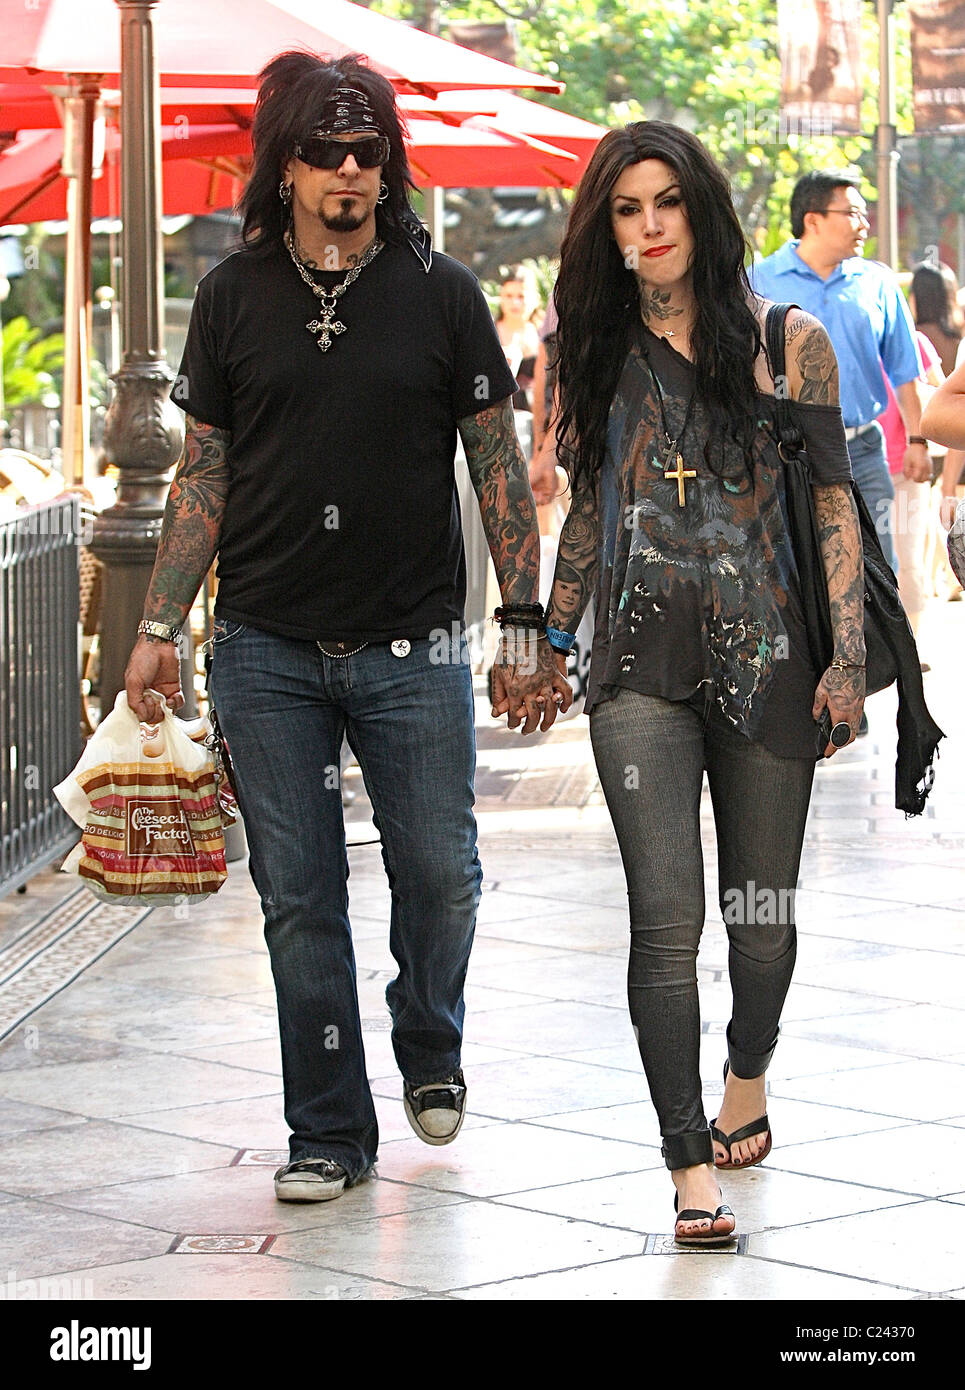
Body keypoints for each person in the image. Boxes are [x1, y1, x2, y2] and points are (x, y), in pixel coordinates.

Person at [124, 51, 566, 1205]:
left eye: (367, 150)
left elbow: (498, 471)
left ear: (387, 163)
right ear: (282, 167)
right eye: (323, 152)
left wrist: (521, 618)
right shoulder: (230, 297)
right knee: (298, 897)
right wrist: (159, 619)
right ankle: (326, 1128)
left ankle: (429, 1036)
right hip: (264, 646)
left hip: (413, 642)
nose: (349, 171)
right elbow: (204, 473)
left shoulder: (442, 293)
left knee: (440, 871)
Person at [541, 122, 865, 1247]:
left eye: (665, 202)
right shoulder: (587, 345)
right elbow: (588, 506)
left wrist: (848, 654)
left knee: (759, 919)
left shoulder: (789, 340)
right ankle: (686, 1160)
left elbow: (830, 498)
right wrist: (546, 631)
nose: (648, 227)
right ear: (607, 229)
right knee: (665, 919)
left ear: (702, 209)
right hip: (635, 670)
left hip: (771, 661)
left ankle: (746, 1074)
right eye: (625, 210)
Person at [750, 171, 931, 572]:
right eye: (852, 213)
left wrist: (917, 440)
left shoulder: (879, 283)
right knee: (795, 573)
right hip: (787, 452)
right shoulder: (758, 281)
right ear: (812, 220)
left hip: (863, 453)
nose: (864, 224)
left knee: (879, 571)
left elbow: (905, 370)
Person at [494, 265, 541, 412]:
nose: (515, 303)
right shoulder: (489, 333)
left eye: (521, 296)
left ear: (535, 299)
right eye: (509, 296)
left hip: (535, 418)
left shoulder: (543, 336)